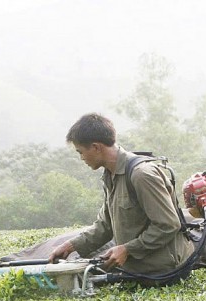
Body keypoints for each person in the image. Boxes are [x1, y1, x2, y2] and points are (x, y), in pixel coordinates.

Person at [48, 113, 193, 282]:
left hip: (163, 271)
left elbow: (168, 225)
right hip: (135, 270)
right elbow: (105, 225)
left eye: (81, 152)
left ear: (96, 147)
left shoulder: (141, 175)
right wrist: (71, 246)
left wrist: (127, 249)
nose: (81, 158)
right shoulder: (110, 176)